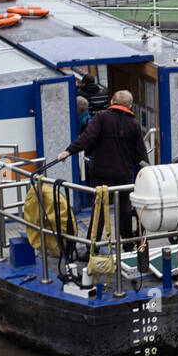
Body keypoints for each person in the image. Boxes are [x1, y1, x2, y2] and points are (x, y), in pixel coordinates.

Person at [57, 90, 148, 248]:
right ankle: (127, 246)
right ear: (130, 105)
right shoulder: (134, 124)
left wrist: (68, 151)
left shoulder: (101, 117)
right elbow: (140, 154)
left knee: (98, 212)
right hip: (123, 177)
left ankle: (92, 248)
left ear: (112, 101)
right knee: (124, 212)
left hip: (101, 174)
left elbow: (87, 138)